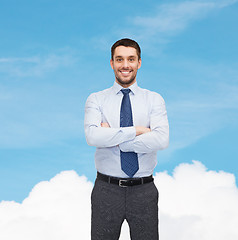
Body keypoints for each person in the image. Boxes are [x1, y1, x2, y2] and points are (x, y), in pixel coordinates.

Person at [84, 38, 169, 240]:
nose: (125, 65)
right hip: (106, 191)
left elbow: (161, 140)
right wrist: (138, 130)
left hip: (144, 191)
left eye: (131, 59)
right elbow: (92, 136)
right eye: (119, 59)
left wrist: (114, 137)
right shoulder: (96, 99)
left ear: (139, 62)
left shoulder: (154, 99)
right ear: (111, 63)